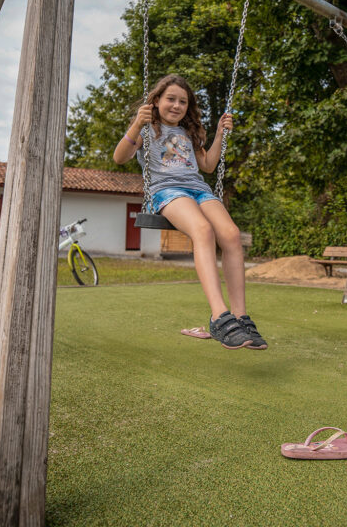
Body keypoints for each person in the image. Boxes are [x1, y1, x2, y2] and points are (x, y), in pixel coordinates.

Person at [113, 73, 266, 350]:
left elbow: (207, 165)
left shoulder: (189, 133)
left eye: (183, 101)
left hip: (199, 189)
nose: (176, 105)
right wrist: (137, 123)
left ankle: (241, 317)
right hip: (168, 191)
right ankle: (220, 316)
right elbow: (119, 157)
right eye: (171, 99)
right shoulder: (146, 129)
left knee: (231, 234)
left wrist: (220, 134)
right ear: (157, 100)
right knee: (203, 230)